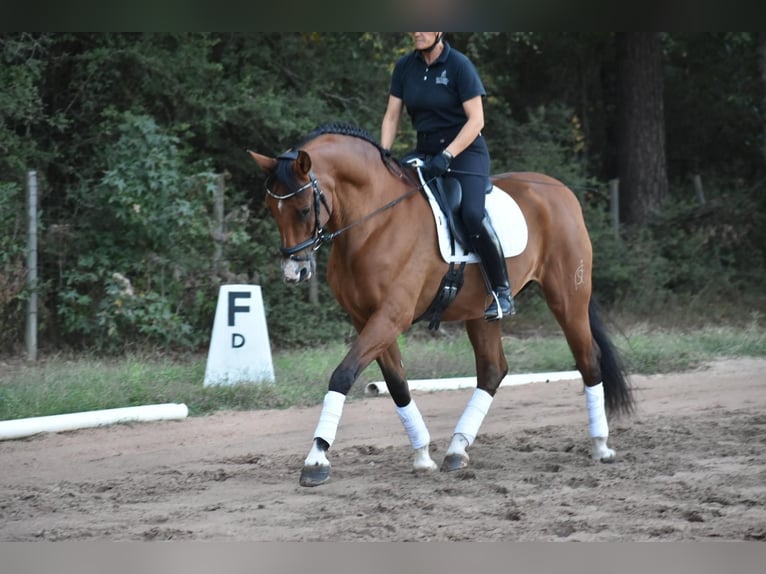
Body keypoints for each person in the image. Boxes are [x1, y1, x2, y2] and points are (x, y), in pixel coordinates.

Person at [380, 32, 514, 320]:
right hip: (426, 152)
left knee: (471, 214)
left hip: (465, 153)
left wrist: (448, 155)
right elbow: (392, 116)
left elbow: (477, 120)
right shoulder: (405, 66)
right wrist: (384, 153)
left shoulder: (459, 65)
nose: (417, 31)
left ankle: (502, 292)